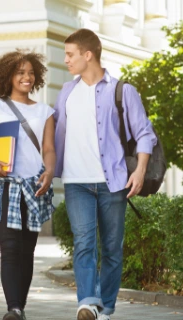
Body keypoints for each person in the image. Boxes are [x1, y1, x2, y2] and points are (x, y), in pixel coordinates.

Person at [54, 29, 157, 320]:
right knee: (84, 243)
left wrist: (140, 170)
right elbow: (52, 131)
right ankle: (88, 302)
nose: (66, 61)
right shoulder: (66, 92)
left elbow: (144, 134)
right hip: (76, 182)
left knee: (112, 247)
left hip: (114, 182)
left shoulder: (122, 90)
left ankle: (106, 308)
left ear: (88, 55)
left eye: (70, 54)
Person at [0, 49, 56, 320]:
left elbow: (49, 149)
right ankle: (14, 309)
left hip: (33, 186)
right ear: (8, 76)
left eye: (31, 73)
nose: (27, 77)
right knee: (9, 248)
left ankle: (20, 305)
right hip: (4, 185)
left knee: (27, 250)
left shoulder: (45, 111)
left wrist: (50, 170)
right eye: (20, 72)